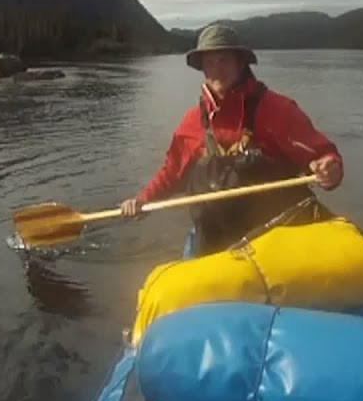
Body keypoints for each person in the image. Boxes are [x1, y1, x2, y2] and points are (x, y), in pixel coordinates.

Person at [120, 23, 343, 254]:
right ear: (202, 69)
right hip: (216, 238)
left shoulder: (278, 109)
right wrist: (142, 200)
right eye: (209, 62)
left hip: (278, 237)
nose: (216, 69)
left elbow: (325, 156)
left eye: (224, 60)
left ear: (240, 63)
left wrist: (329, 169)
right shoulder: (192, 122)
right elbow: (172, 172)